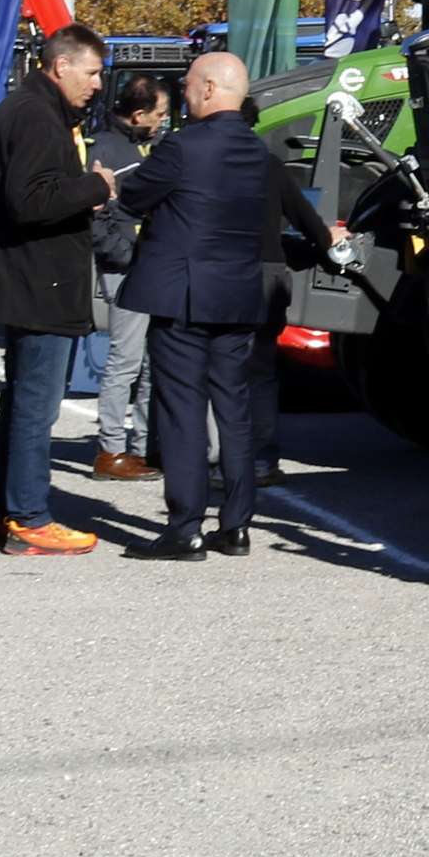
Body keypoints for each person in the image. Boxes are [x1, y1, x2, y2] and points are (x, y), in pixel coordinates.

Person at [118, 50, 331, 560]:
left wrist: (112, 185)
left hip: (185, 297)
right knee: (234, 408)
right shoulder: (262, 157)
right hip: (239, 296)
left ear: (211, 89)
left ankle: (184, 526)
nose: (184, 93)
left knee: (182, 410)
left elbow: (133, 198)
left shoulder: (182, 148)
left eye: (190, 84)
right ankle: (236, 523)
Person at [0, 27, 120, 555]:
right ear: (61, 67)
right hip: (38, 282)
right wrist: (98, 187)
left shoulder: (29, 109)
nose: (98, 84)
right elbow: (31, 201)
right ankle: (29, 516)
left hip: (26, 279)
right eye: (92, 72)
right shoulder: (35, 115)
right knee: (36, 404)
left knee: (19, 402)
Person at [81, 66, 165, 482]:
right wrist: (123, 254)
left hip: (140, 266)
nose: (163, 121)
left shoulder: (129, 146)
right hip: (127, 269)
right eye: (159, 113)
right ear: (138, 114)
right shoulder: (110, 149)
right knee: (127, 360)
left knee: (147, 361)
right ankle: (112, 449)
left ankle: (140, 447)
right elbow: (100, 216)